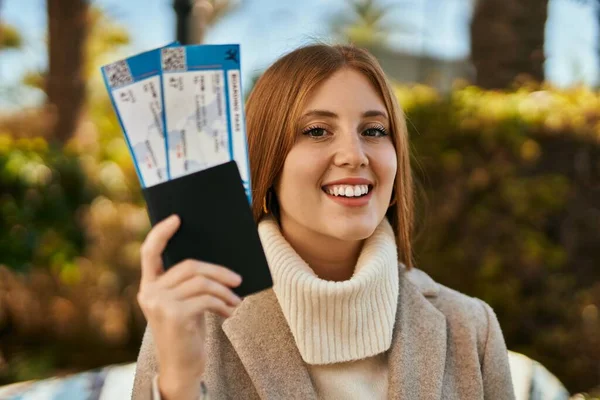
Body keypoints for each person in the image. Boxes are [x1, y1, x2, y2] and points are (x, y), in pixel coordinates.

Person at [131, 44, 516, 400]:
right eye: (317, 131)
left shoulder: (471, 327)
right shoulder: (191, 320)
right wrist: (179, 382)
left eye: (374, 131)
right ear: (268, 163)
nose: (354, 155)